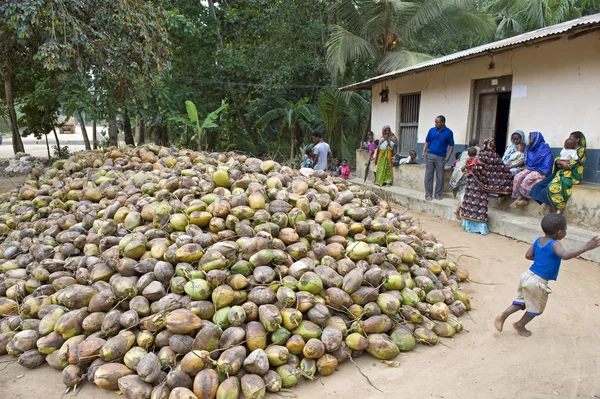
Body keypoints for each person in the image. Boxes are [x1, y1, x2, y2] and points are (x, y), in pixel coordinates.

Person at [494, 214, 600, 337]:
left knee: (521, 301)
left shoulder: (538, 240)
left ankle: (503, 315)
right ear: (560, 232)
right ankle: (520, 325)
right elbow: (564, 255)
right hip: (538, 282)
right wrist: (586, 247)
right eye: (565, 229)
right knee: (535, 308)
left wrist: (541, 259)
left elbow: (528, 255)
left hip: (528, 276)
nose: (566, 231)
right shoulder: (554, 244)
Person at [460, 138, 513, 235]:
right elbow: (502, 170)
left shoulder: (480, 156)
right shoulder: (496, 157)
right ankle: (481, 228)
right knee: (480, 205)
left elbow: (477, 169)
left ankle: (469, 226)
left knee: (470, 203)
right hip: (482, 187)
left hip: (473, 182)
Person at [530, 132, 587, 214]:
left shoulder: (581, 150)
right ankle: (550, 206)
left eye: (572, 138)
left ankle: (557, 209)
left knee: (553, 186)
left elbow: (573, 164)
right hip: (561, 172)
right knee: (541, 184)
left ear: (577, 140)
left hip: (572, 174)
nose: (569, 140)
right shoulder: (567, 149)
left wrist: (562, 163)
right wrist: (560, 162)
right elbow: (559, 158)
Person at [511, 132, 554, 208]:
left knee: (528, 178)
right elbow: (527, 161)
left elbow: (547, 164)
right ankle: (520, 198)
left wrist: (539, 170)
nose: (529, 140)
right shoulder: (530, 147)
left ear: (535, 139)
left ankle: (520, 199)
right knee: (518, 176)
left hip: (542, 170)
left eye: (530, 138)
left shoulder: (545, 148)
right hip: (531, 168)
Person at [422, 115, 454, 201]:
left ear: (442, 123)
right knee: (428, 175)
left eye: (437, 122)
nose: (435, 123)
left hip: (441, 157)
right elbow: (427, 141)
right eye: (435, 122)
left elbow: (451, 146)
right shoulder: (431, 130)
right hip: (430, 154)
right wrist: (423, 151)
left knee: (440, 176)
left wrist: (448, 157)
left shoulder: (449, 132)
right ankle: (428, 194)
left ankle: (438, 194)